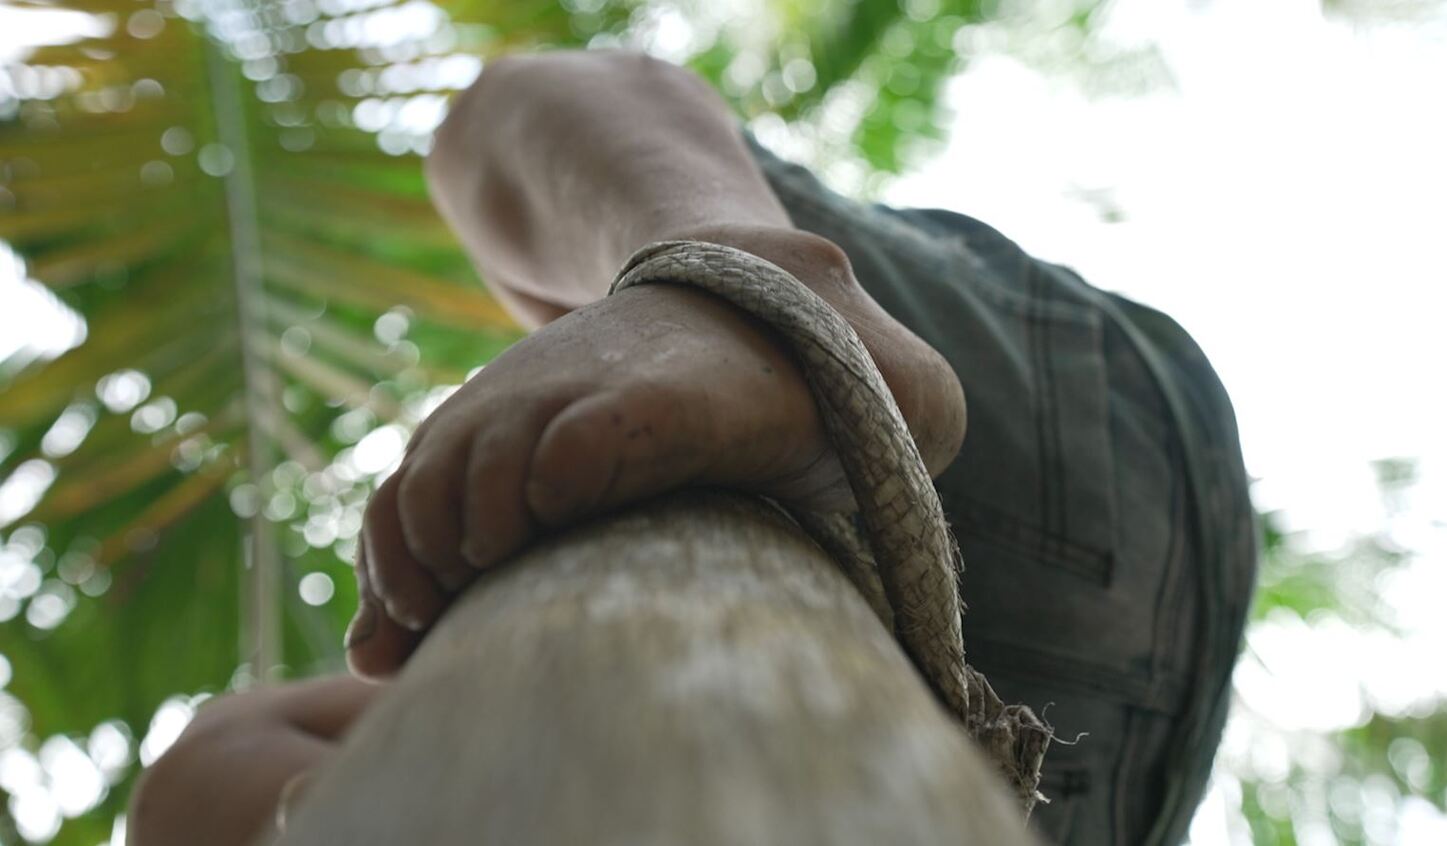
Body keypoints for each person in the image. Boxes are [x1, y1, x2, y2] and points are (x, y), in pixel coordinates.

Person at [128, 49, 1257, 846]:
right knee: (504, 119)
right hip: (1080, 720)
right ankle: (729, 267)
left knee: (508, 112)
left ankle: (736, 270)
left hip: (1092, 670)